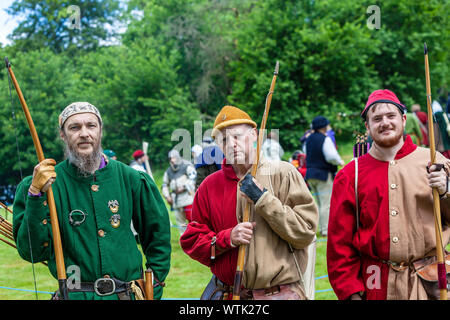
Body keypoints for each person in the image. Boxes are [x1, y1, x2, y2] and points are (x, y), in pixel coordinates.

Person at [12, 102, 171, 300]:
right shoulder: (44, 185)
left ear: (100, 131)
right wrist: (35, 195)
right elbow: (32, 252)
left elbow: (158, 237)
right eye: (75, 127)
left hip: (127, 295)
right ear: (63, 135)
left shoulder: (131, 178)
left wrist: (153, 286)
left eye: (91, 125)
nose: (84, 133)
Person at [180, 105, 318, 300]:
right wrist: (226, 239)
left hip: (278, 295)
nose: (231, 144)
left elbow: (305, 232)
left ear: (254, 135)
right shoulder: (209, 186)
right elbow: (192, 240)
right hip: (227, 295)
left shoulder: (283, 174)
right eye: (224, 140)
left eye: (237, 136)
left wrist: (264, 200)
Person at [327, 89, 450, 300]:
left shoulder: (434, 161)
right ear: (367, 126)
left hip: (430, 285)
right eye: (377, 119)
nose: (385, 123)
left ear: (403, 119)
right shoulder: (350, 175)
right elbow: (339, 245)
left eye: (391, 116)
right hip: (377, 287)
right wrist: (351, 294)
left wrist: (447, 191)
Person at [304, 116, 345, 237]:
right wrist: (340, 162)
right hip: (323, 175)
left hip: (310, 174)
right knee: (326, 203)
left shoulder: (308, 139)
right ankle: (326, 230)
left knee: (318, 203)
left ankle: (318, 228)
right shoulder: (325, 139)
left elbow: (306, 154)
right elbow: (331, 156)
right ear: (324, 126)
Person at [162, 149, 197, 233]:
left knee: (192, 221)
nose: (172, 160)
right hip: (176, 200)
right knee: (181, 223)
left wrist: (185, 186)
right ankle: (184, 241)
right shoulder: (169, 171)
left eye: (173, 158)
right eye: (170, 158)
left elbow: (193, 177)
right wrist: (167, 196)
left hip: (188, 197)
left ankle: (196, 239)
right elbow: (164, 185)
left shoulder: (186, 166)